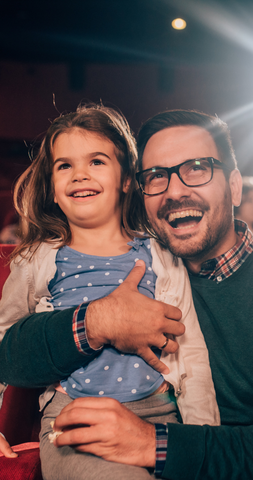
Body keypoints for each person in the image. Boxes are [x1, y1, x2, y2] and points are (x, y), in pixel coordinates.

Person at [0, 109, 253, 479]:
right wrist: (98, 320)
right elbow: (12, 354)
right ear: (140, 189)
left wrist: (153, 443)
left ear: (236, 186)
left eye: (198, 168)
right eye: (158, 177)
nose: (175, 191)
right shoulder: (148, 269)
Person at [0, 105, 219, 479]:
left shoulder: (161, 255)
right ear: (52, 188)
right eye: (64, 166)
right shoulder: (36, 260)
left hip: (159, 411)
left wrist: (203, 441)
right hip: (76, 417)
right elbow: (6, 340)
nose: (79, 174)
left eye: (97, 161)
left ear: (126, 180)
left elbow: (192, 352)